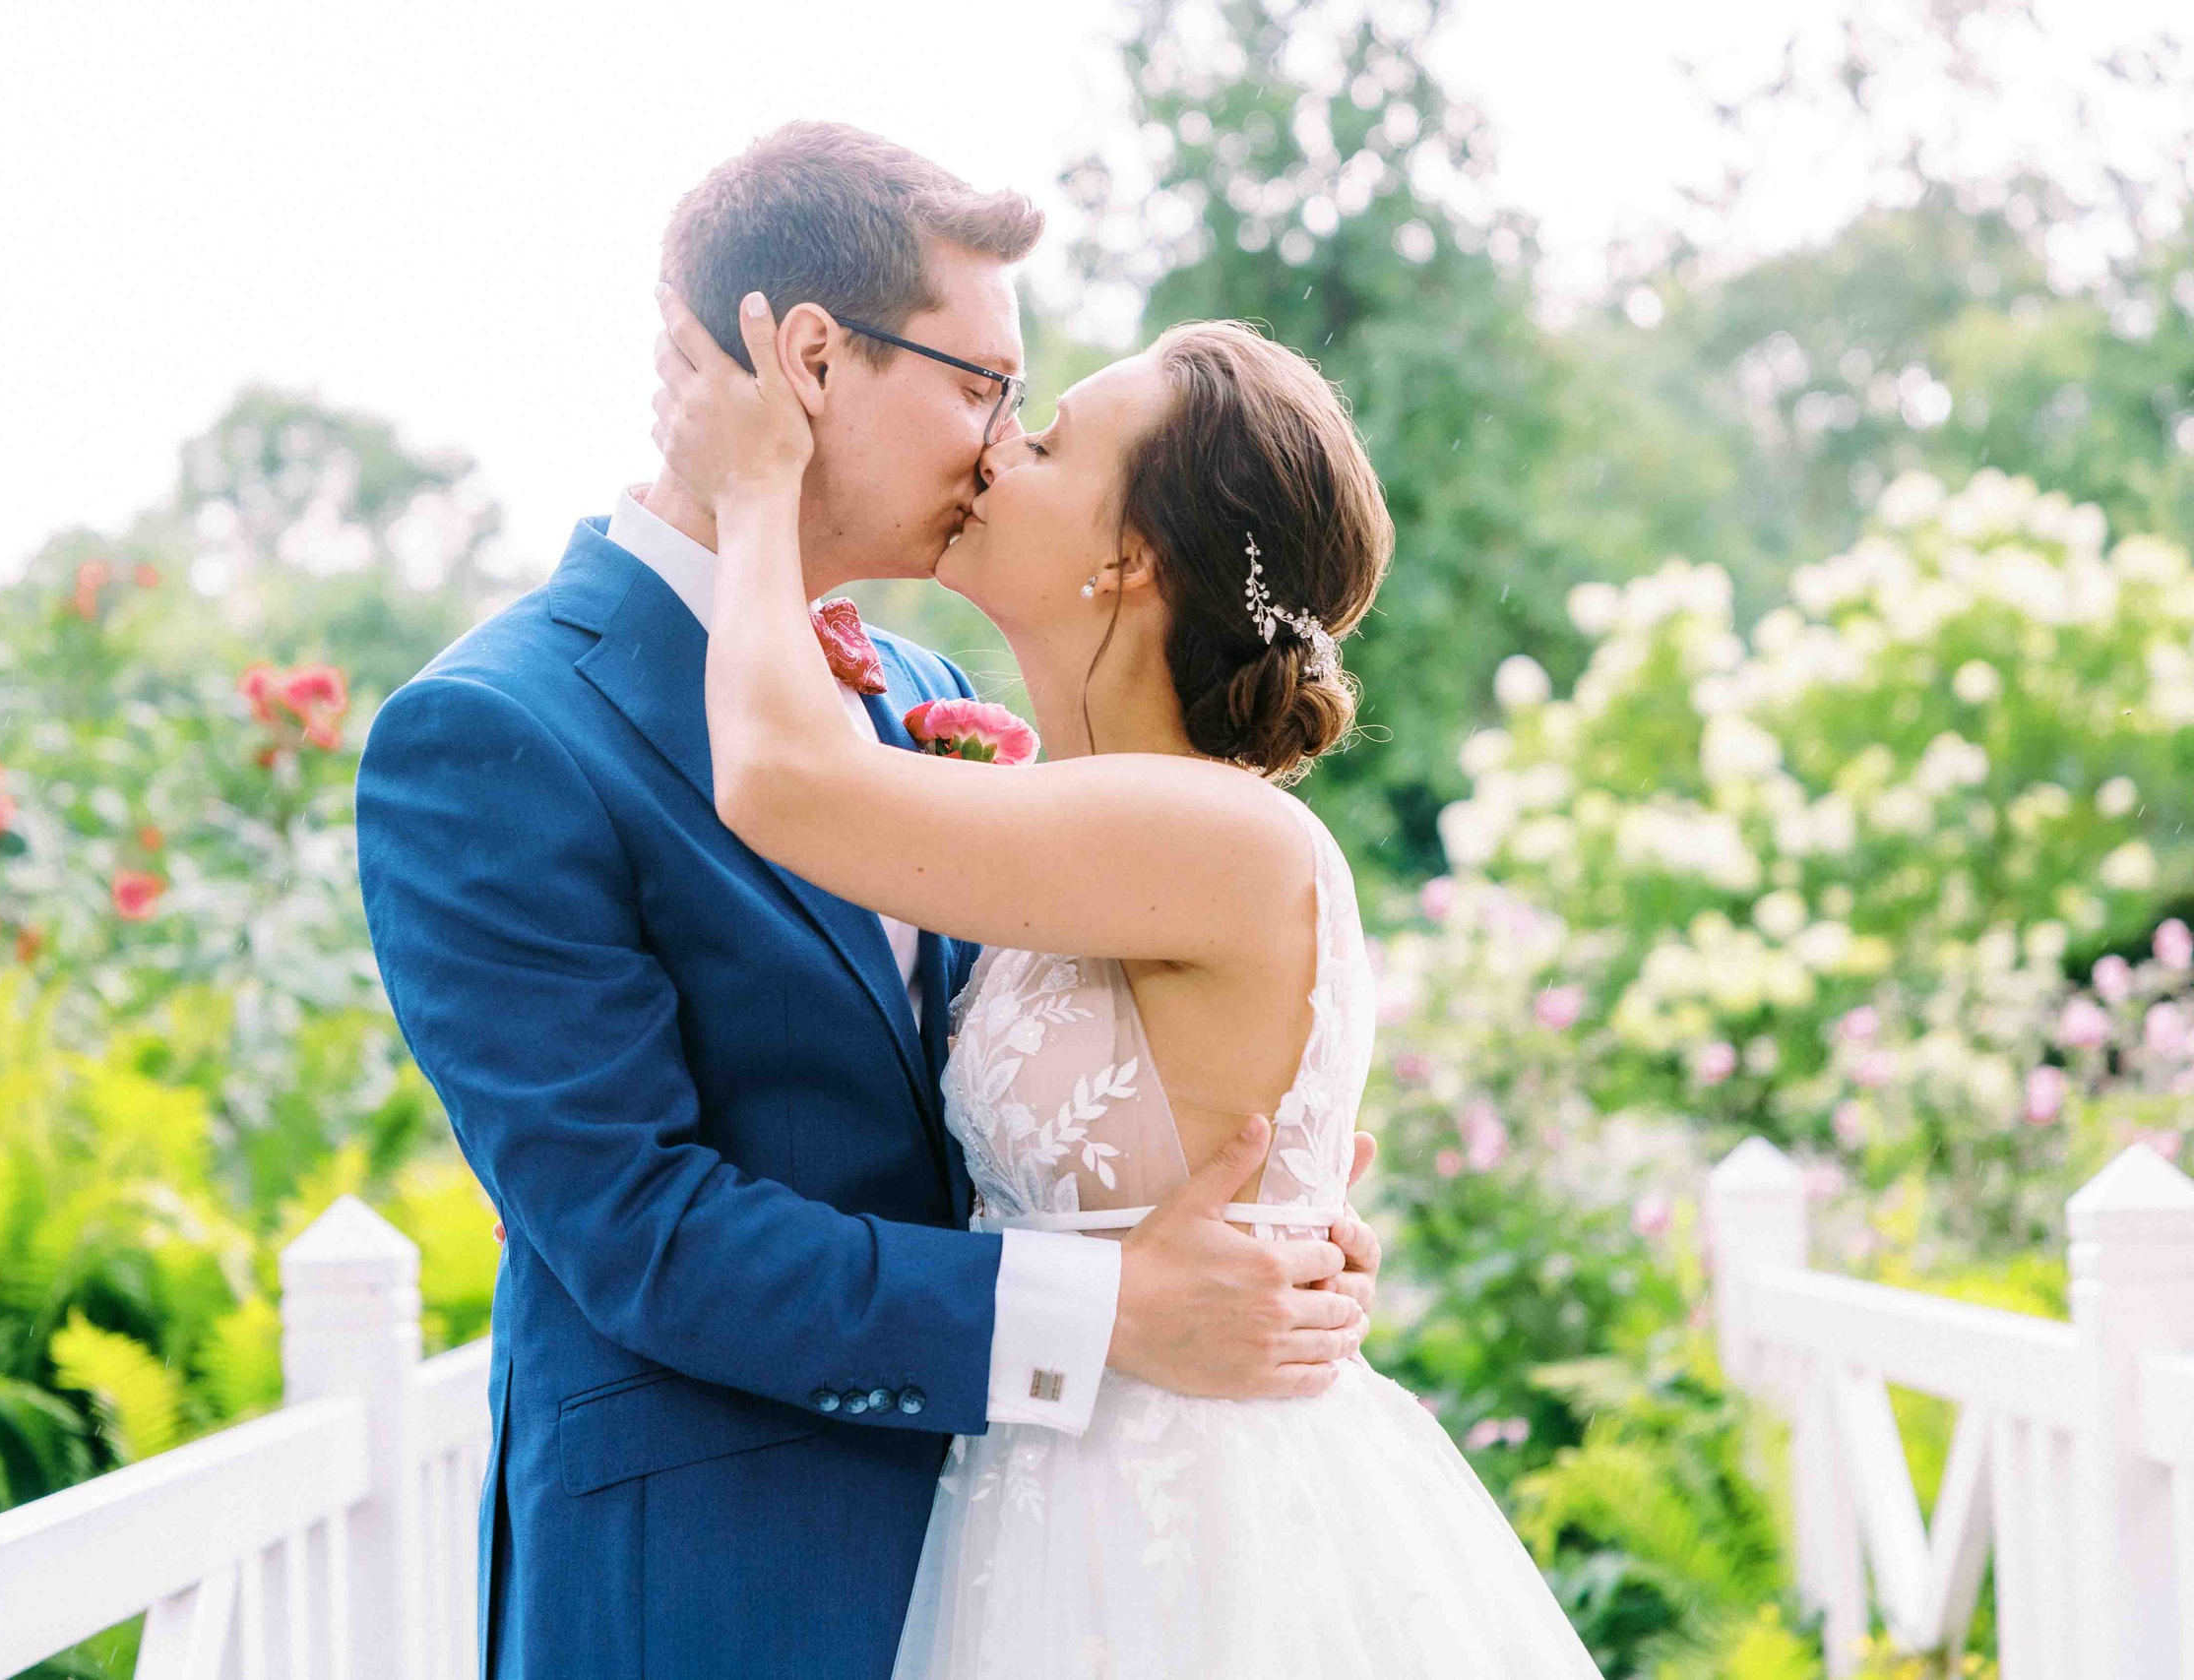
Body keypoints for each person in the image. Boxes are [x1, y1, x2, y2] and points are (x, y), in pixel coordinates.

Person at [353, 121, 1384, 1680]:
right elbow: (642, 1232)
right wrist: (1111, 1301)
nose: (995, 445)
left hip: (1056, 1565)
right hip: (721, 1594)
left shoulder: (912, 697)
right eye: (983, 388)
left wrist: (1271, 1239)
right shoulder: (493, 735)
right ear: (814, 363)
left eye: (1027, 416)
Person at [644, 269, 1604, 1672]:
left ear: (1131, 557)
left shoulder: (1211, 826)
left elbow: (784, 779)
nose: (994, 448)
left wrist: (752, 493)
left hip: (1194, 1539)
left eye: (1045, 442)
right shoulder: (1068, 827)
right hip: (1044, 1502)